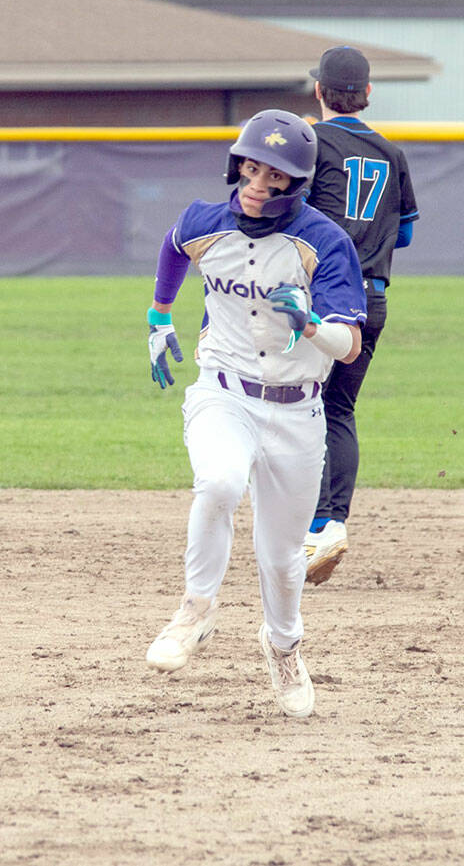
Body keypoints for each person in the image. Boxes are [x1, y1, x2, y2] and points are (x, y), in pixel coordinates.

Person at [143, 109, 366, 718]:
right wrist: (160, 314)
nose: (257, 182)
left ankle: (283, 646)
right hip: (223, 391)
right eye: (251, 166)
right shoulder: (205, 221)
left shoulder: (323, 243)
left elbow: (349, 346)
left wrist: (311, 323)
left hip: (297, 412)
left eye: (274, 175)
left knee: (282, 559)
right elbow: (174, 245)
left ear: (297, 184)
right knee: (218, 482)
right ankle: (195, 610)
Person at [301, 46, 420, 585]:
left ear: (318, 91)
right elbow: (405, 233)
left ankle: (314, 524)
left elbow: (292, 211)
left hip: (324, 295)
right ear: (368, 94)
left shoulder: (313, 142)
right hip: (372, 297)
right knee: (339, 408)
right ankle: (332, 523)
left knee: (302, 405)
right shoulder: (391, 153)